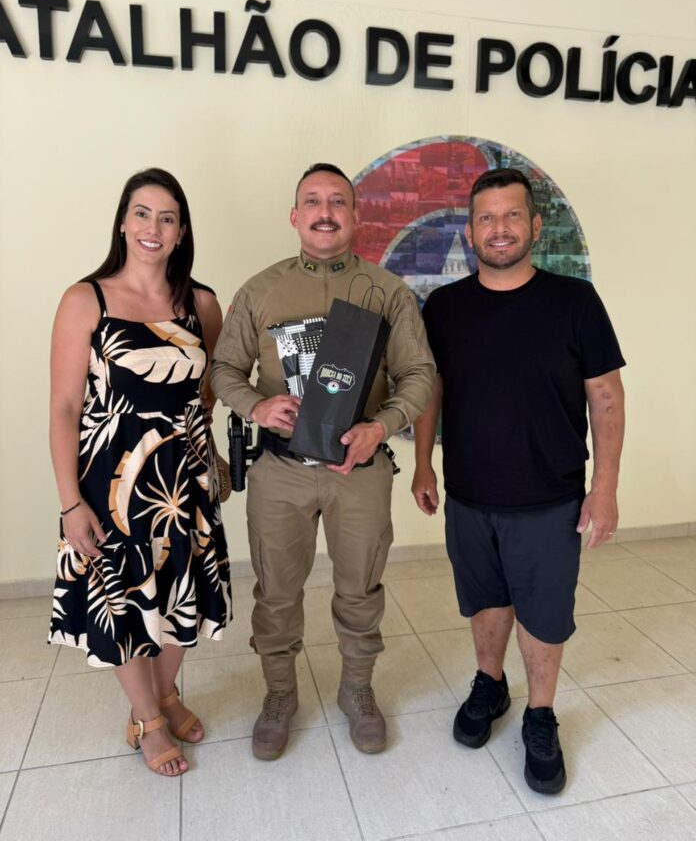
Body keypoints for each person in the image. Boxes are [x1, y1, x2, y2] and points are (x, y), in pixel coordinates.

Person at [412, 167, 625, 795]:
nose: (499, 228)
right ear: (470, 231)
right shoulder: (445, 307)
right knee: (484, 599)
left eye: (511, 216)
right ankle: (490, 683)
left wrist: (605, 487)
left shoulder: (575, 301)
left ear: (534, 225)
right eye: (486, 218)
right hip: (469, 495)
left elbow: (606, 397)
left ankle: (540, 713)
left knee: (544, 612)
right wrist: (423, 463)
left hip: (549, 496)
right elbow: (430, 392)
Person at [210, 163, 434, 759]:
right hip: (279, 472)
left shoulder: (388, 293)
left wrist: (381, 426)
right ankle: (279, 695)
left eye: (338, 201)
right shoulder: (259, 291)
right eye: (312, 201)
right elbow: (224, 370)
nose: (325, 212)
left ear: (355, 216)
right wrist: (257, 407)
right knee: (276, 592)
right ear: (295, 216)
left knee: (360, 588)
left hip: (359, 471)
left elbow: (419, 374)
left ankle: (357, 689)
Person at [49, 168, 232, 777]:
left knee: (183, 593)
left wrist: (206, 449)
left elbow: (207, 391)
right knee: (123, 601)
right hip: (111, 484)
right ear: (124, 223)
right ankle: (147, 719)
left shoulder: (202, 303)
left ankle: (167, 694)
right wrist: (71, 503)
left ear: (181, 232)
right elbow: (64, 407)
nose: (154, 227)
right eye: (143, 213)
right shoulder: (86, 300)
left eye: (167, 217)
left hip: (184, 481)